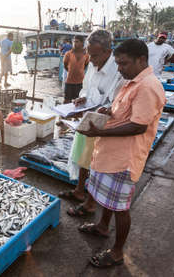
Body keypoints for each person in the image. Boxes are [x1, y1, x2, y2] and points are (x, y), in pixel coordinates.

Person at [76, 39, 166, 268]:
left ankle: (117, 252)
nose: (119, 69)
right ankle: (102, 227)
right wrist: (110, 111)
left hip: (124, 159)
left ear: (142, 60)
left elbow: (139, 126)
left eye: (124, 64)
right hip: (109, 155)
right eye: (117, 63)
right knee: (108, 199)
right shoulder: (132, 82)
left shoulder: (148, 86)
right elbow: (125, 113)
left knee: (121, 208)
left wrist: (100, 132)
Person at [58, 30, 123, 217]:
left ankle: (91, 203)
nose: (91, 59)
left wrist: (108, 109)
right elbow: (86, 89)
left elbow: (119, 101)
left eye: (94, 55)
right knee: (83, 155)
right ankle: (79, 190)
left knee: (98, 162)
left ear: (107, 51)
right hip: (88, 117)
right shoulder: (93, 65)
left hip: (106, 124)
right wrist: (82, 99)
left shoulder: (118, 69)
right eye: (89, 54)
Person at [62, 35, 89, 103]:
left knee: (78, 102)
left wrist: (79, 70)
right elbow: (65, 66)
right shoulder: (68, 54)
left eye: (77, 42)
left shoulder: (86, 54)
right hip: (69, 82)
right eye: (74, 42)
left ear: (82, 43)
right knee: (66, 101)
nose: (74, 43)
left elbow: (86, 65)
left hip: (80, 83)